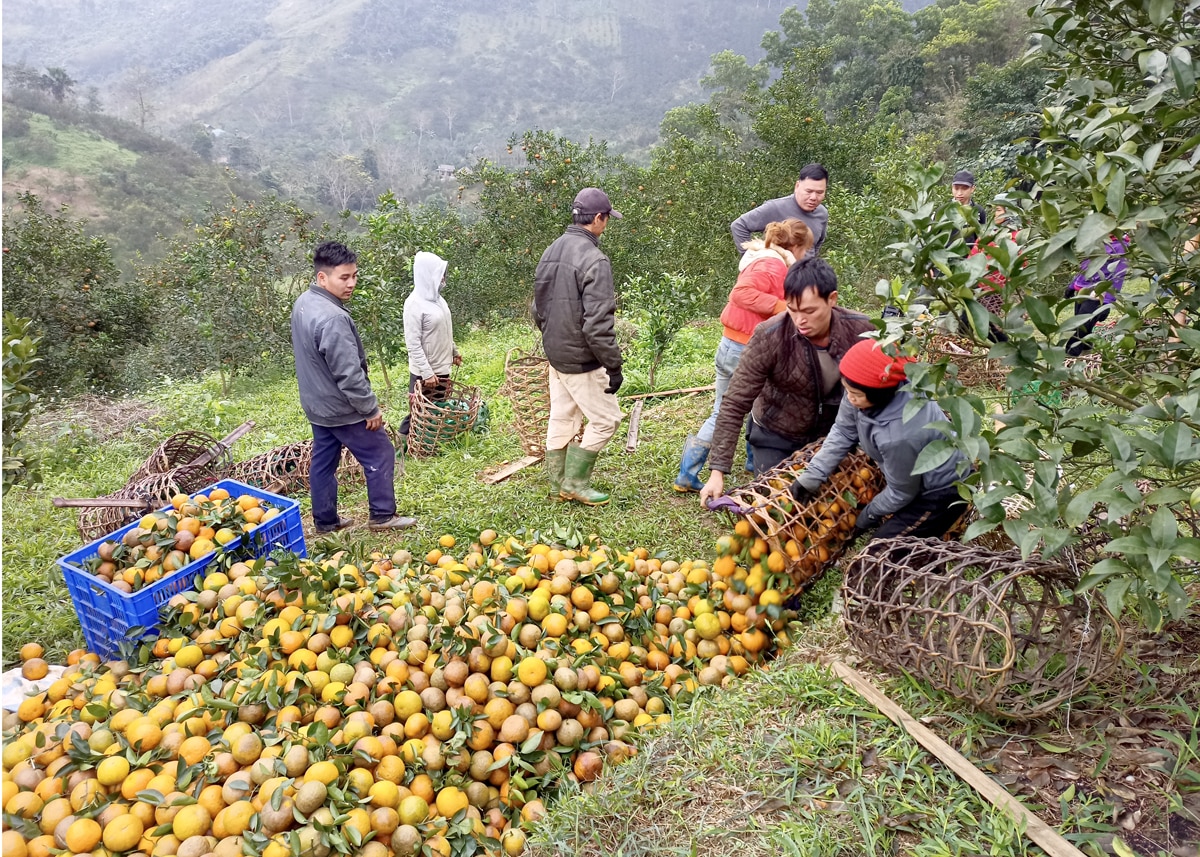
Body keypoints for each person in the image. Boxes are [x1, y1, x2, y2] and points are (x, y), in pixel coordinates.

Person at [698, 258, 874, 506]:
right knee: (779, 506)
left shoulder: (861, 331)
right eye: (792, 309)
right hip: (776, 434)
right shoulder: (770, 336)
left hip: (831, 435)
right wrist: (717, 471)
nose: (800, 319)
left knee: (827, 507)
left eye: (810, 311)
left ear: (832, 299)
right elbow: (735, 402)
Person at [673, 219, 814, 492]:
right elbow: (742, 293)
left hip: (732, 343)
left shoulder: (765, 259)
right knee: (730, 410)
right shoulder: (771, 264)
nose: (804, 256)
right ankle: (688, 472)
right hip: (745, 349)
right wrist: (783, 308)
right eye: (804, 250)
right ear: (793, 246)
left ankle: (748, 462)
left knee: (743, 406)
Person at [789, 339, 972, 541]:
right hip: (909, 477)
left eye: (855, 394)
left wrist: (864, 519)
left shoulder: (898, 434)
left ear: (880, 394)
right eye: (846, 389)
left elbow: (901, 492)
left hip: (941, 490)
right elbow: (843, 430)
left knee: (883, 550)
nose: (849, 398)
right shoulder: (861, 386)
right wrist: (812, 476)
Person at [291, 241, 416, 533]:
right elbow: (348, 374)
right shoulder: (333, 317)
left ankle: (325, 521)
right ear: (323, 278)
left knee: (323, 460)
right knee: (380, 452)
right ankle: (383, 516)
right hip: (340, 407)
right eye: (344, 278)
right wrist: (369, 409)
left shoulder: (304, 302)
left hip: (316, 404)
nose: (351, 284)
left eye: (354, 276)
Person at [533, 187, 625, 506]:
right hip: (580, 358)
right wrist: (613, 366)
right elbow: (597, 325)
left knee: (562, 416)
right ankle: (574, 482)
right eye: (607, 219)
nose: (607, 225)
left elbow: (538, 308)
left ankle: (558, 482)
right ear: (597, 219)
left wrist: (552, 337)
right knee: (607, 419)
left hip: (555, 354)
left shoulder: (552, 250)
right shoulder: (594, 259)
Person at [398, 251, 461, 437]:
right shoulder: (414, 305)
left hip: (442, 367)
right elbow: (413, 344)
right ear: (427, 274)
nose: (442, 278)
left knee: (436, 409)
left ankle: (428, 444)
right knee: (418, 413)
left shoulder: (438, 300)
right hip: (426, 372)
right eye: (438, 273)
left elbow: (444, 330)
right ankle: (401, 445)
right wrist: (427, 372)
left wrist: (454, 352)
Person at [731, 163, 829, 258]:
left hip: (806, 273)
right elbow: (739, 225)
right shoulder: (775, 207)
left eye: (819, 192)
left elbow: (817, 244)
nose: (813, 197)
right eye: (809, 191)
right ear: (797, 186)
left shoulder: (822, 214)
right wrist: (751, 259)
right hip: (778, 272)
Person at [1064, 234, 1129, 356]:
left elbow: (1118, 275)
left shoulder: (1120, 246)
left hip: (1098, 293)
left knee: (1080, 327)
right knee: (1084, 327)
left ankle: (1070, 355)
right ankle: (1086, 352)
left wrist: (1106, 300)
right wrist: (1072, 285)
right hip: (1082, 291)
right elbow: (1085, 266)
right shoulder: (1095, 240)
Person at [950, 169, 987, 243]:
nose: (959, 193)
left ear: (972, 189)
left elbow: (982, 236)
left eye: (964, 188)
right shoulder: (943, 211)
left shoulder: (979, 211)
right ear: (952, 188)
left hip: (971, 253)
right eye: (956, 188)